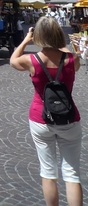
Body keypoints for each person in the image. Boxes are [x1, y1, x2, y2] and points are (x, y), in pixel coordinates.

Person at [10, 16, 83, 206]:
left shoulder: (31, 60)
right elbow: (74, 63)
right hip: (69, 119)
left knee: (48, 172)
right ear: (59, 35)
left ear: (39, 36)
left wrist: (26, 40)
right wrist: (63, 44)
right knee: (72, 173)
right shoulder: (71, 59)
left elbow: (13, 60)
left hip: (41, 119)